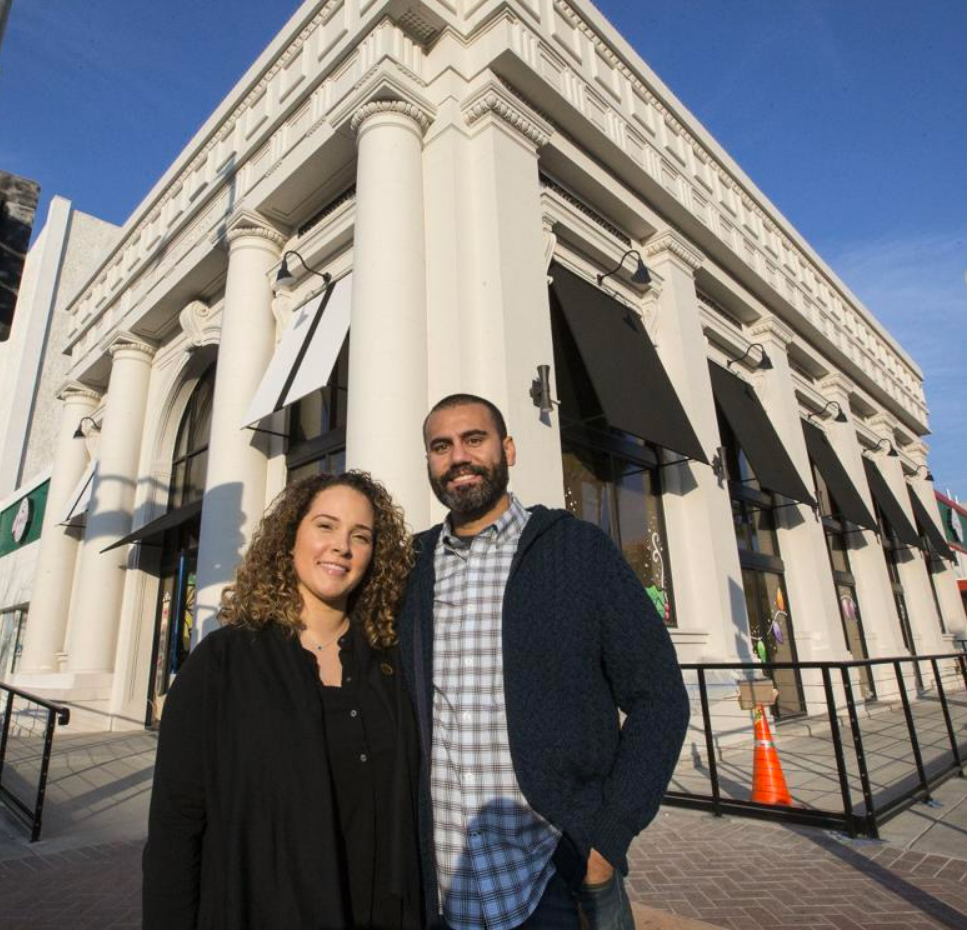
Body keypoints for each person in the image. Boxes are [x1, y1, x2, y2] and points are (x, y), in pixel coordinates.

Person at [400, 393, 691, 930]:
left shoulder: (578, 551)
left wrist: (607, 840)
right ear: (429, 463)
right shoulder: (409, 568)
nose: (458, 456)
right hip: (439, 885)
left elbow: (660, 697)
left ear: (507, 449)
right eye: (441, 446)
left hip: (554, 879)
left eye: (474, 439)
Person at [143, 471, 424, 929]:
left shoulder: (389, 665)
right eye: (325, 526)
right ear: (290, 536)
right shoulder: (222, 663)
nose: (342, 546)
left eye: (361, 536)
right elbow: (175, 830)